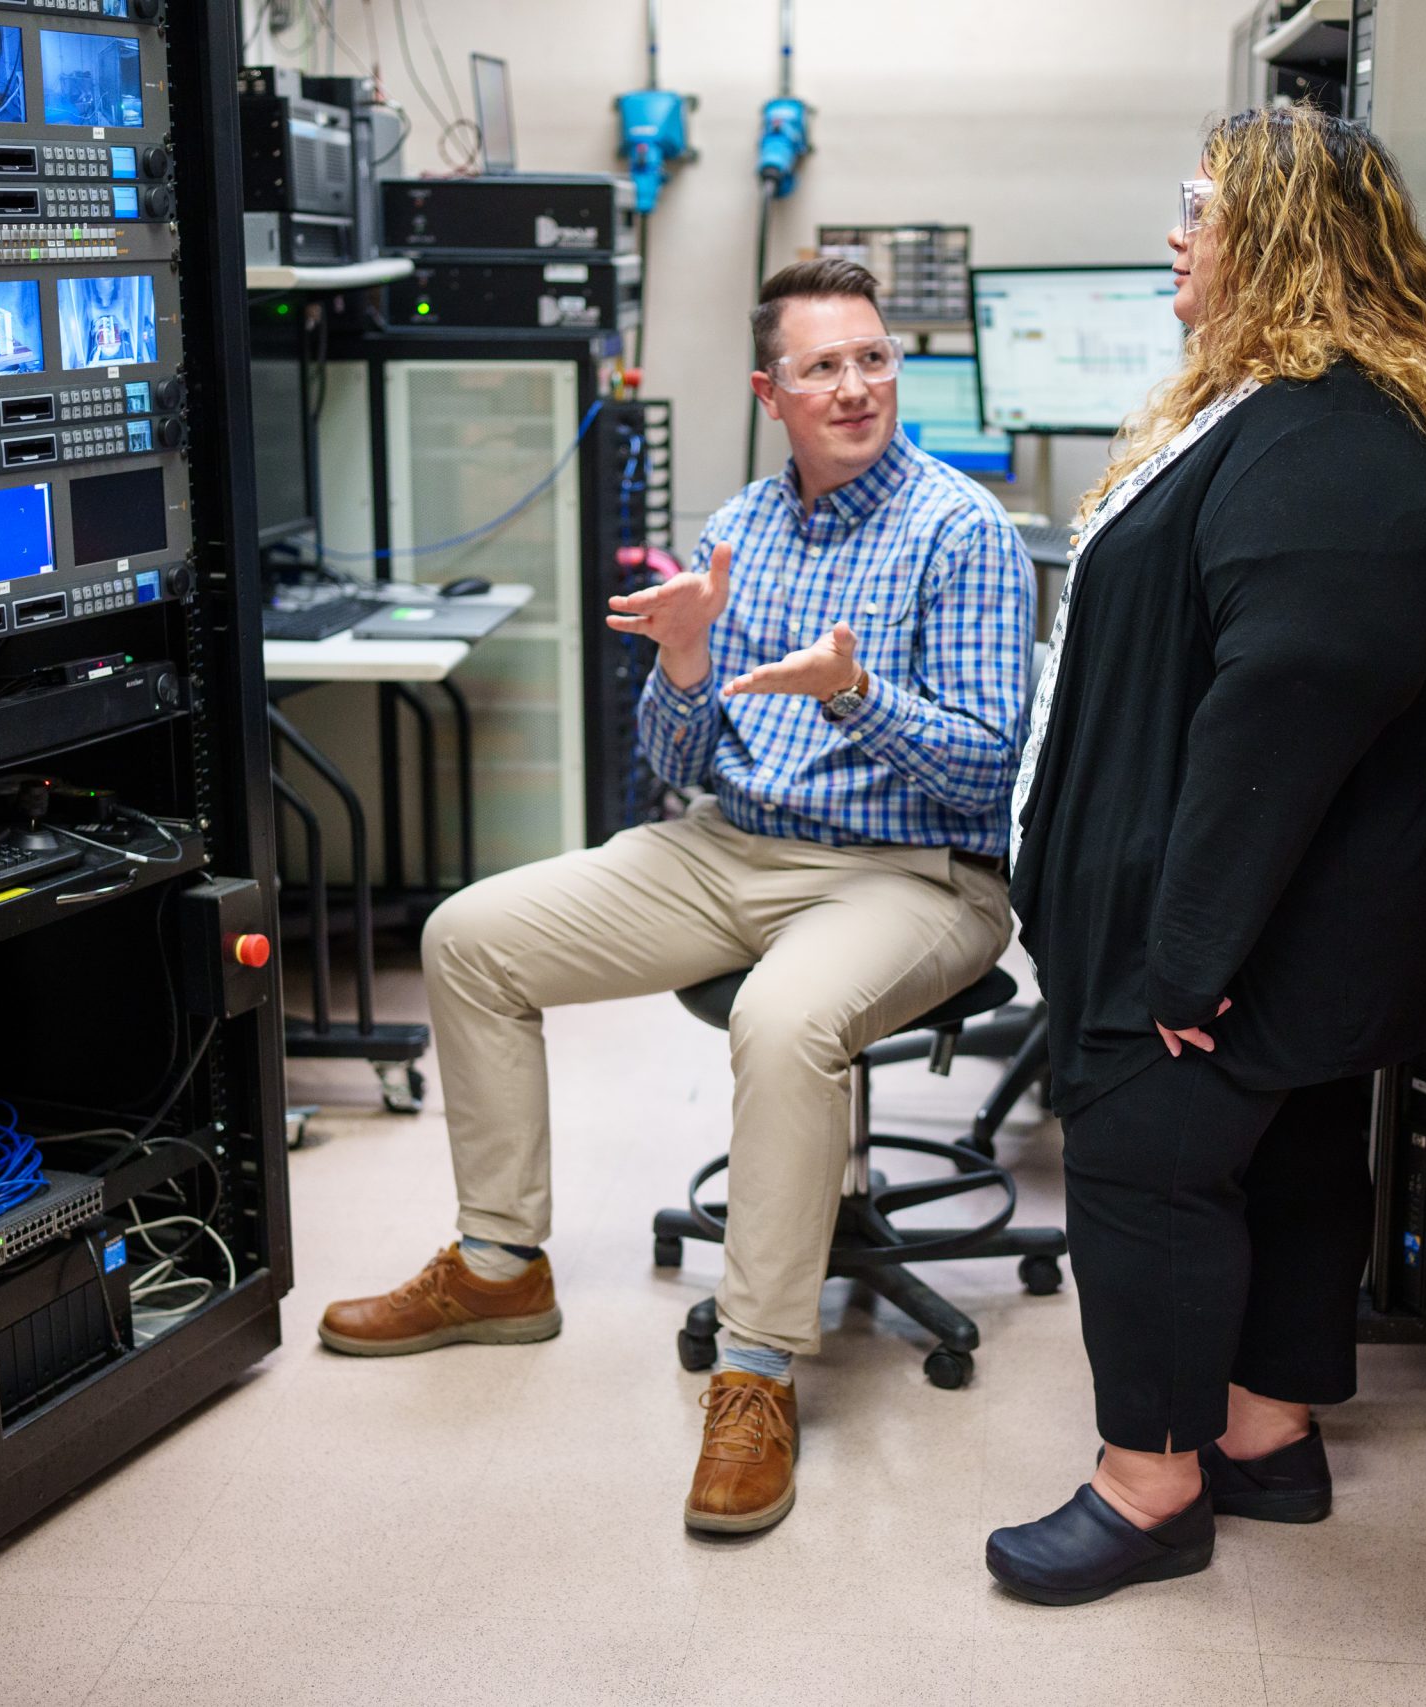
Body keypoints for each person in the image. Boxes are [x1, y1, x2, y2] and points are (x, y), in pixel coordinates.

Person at [318, 259, 1034, 1538]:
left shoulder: (959, 528)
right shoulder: (741, 529)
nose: (856, 385)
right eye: (822, 366)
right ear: (772, 392)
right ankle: (497, 1267)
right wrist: (690, 661)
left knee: (779, 1019)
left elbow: (990, 766)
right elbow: (674, 764)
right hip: (728, 847)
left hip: (914, 871)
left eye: (872, 358)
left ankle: (755, 1370)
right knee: (468, 939)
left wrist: (850, 692)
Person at [984, 103, 1426, 1604]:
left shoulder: (1336, 441)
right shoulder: (1293, 407)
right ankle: (1267, 1430)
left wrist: (1188, 950)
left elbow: (1284, 715)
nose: (1176, 230)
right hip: (1276, 905)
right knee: (1288, 1149)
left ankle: (1152, 1481)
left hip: (1243, 911)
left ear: (1286, 238)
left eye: (1200, 204)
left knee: (1145, 1158)